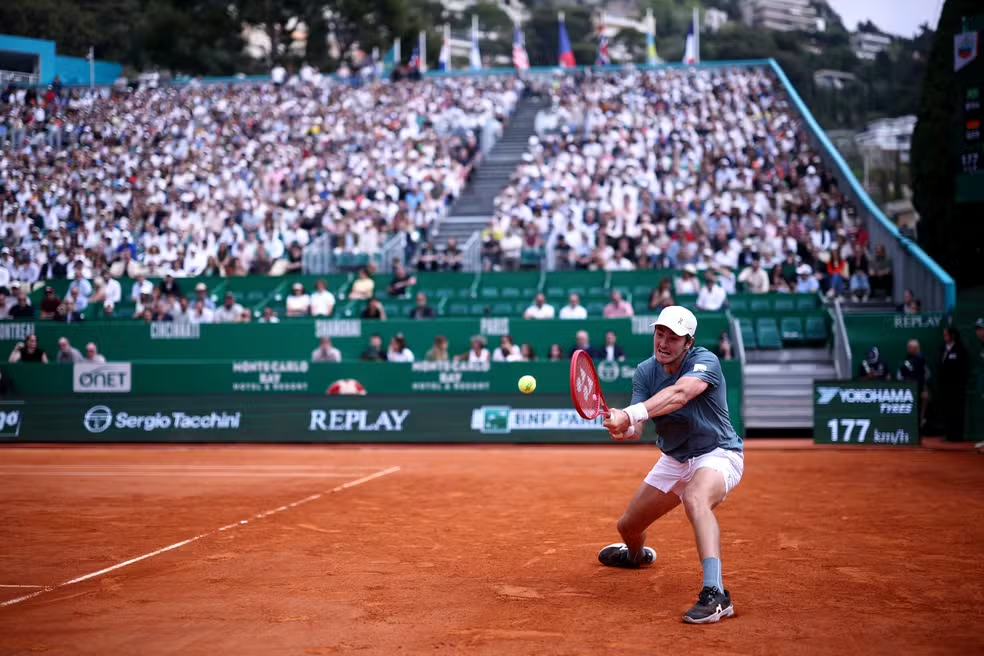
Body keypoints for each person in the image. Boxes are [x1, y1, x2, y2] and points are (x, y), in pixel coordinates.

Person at [599, 305, 743, 625]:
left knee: (695, 497)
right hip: (673, 459)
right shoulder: (645, 371)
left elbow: (679, 395)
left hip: (717, 453)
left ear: (688, 343)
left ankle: (716, 593)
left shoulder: (705, 361)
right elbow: (636, 428)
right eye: (659, 333)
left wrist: (632, 414)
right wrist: (621, 426)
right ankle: (635, 557)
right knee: (628, 528)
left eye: (673, 338)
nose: (663, 343)